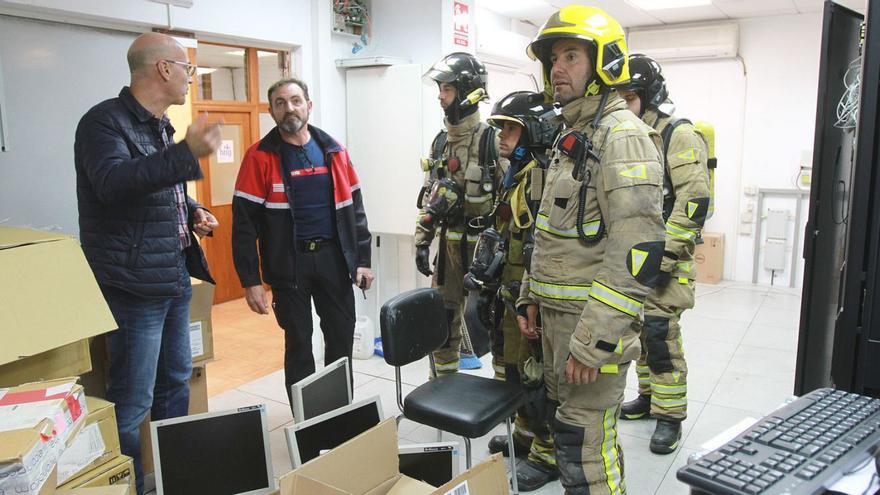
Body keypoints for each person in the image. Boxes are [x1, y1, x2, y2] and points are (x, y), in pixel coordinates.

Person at [516, 6, 667, 494]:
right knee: (575, 435)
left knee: (585, 451)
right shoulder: (571, 135)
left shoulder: (623, 138)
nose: (557, 68)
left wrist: (595, 342)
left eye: (571, 56)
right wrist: (529, 296)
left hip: (588, 328)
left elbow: (637, 254)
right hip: (556, 321)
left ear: (603, 64)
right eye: (553, 58)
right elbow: (548, 231)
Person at [74, 32, 220, 495]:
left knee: (176, 383)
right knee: (132, 401)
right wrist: (186, 155)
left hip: (172, 273)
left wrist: (191, 210)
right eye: (187, 69)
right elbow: (114, 184)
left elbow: (159, 187)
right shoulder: (103, 123)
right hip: (133, 285)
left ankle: (176, 479)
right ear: (162, 69)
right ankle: (128, 487)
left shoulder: (160, 124)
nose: (188, 79)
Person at [232, 78, 373, 409]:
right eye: (280, 103)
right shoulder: (259, 157)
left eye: (295, 100)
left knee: (340, 336)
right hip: (288, 266)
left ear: (309, 105)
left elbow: (356, 210)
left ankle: (339, 411)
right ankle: (307, 421)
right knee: (299, 344)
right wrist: (250, 281)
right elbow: (243, 225)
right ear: (271, 111)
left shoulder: (333, 151)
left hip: (333, 261)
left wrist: (362, 260)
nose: (288, 108)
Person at [617, 54, 711, 454]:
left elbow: (693, 202)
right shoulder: (629, 136)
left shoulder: (678, 134)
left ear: (648, 96)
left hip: (666, 262)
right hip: (634, 259)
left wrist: (665, 258)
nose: (622, 105)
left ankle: (670, 417)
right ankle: (648, 398)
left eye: (629, 97)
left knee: (661, 336)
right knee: (637, 332)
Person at [468, 91, 560, 491]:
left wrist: (531, 299)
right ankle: (523, 432)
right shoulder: (516, 173)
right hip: (509, 289)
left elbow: (545, 244)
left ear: (535, 131)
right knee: (508, 367)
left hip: (531, 294)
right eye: (501, 127)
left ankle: (547, 452)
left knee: (534, 372)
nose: (502, 136)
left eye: (510, 127)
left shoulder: (544, 175)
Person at [416, 52, 502, 376]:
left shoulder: (492, 141)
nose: (440, 96)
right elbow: (429, 197)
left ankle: (503, 399)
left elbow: (511, 200)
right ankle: (442, 384)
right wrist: (422, 242)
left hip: (486, 252)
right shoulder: (440, 145)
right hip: (448, 249)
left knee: (497, 320)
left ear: (468, 92)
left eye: (447, 88)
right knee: (444, 317)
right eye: (439, 88)